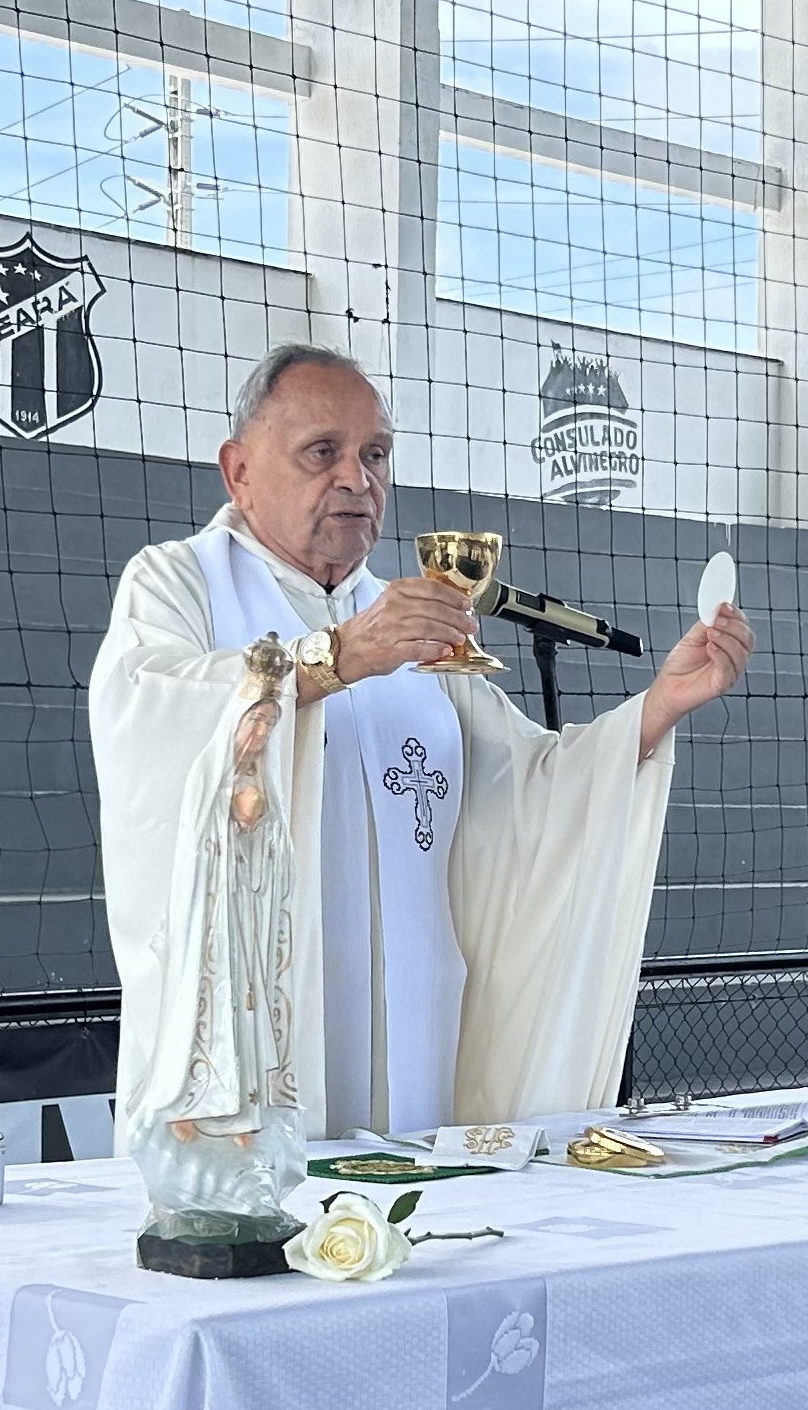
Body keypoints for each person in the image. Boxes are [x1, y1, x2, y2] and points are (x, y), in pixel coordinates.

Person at [89, 343, 753, 1140]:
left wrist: (657, 706)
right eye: (322, 452)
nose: (356, 479)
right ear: (238, 470)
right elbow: (149, 711)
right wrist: (333, 659)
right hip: (254, 1035)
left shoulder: (409, 615)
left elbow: (523, 792)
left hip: (417, 1043)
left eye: (375, 455)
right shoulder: (177, 582)